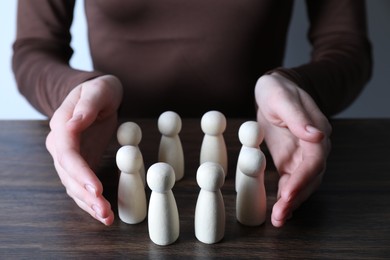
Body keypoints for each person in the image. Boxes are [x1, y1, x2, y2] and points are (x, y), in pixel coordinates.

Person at [12, 0, 372, 227]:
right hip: (112, 140)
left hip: (261, 141)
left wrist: (296, 85)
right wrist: (76, 92)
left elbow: (347, 47)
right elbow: (34, 48)